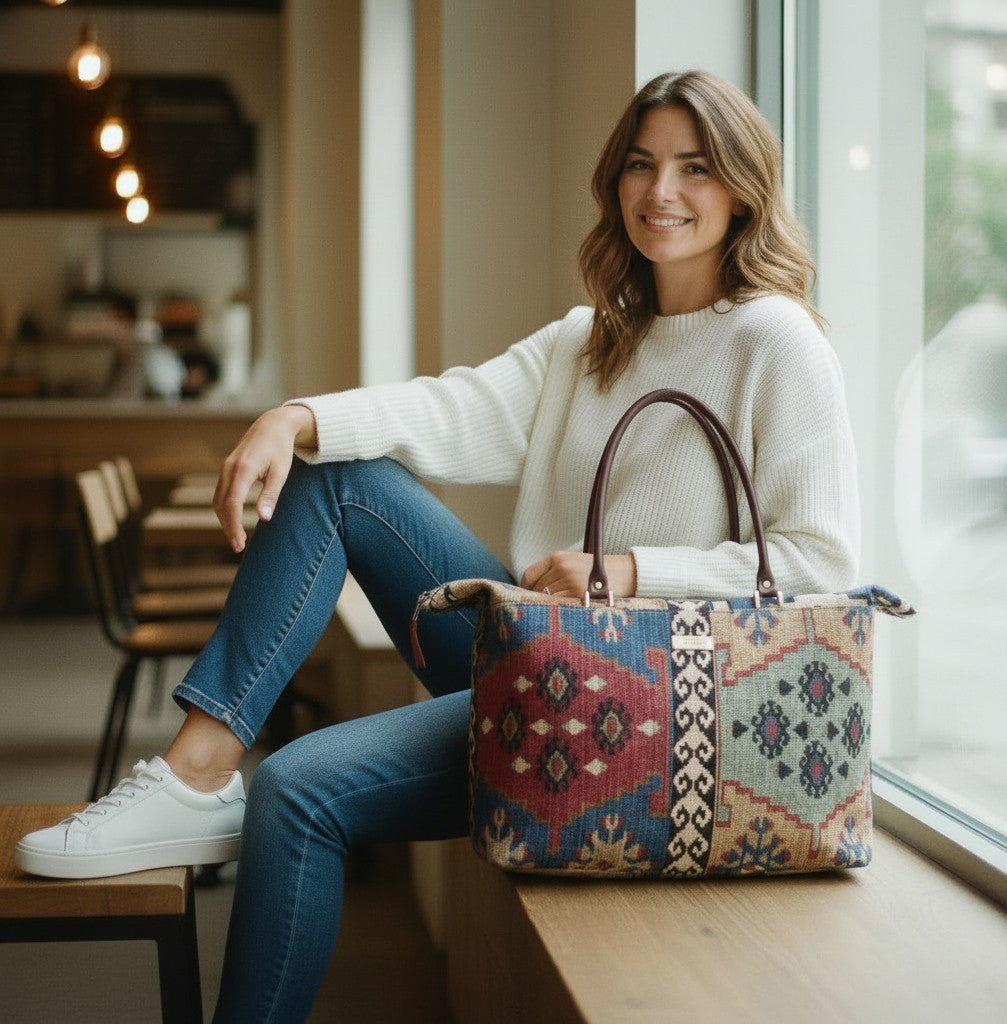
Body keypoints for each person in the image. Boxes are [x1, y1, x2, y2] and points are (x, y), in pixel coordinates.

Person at [17, 69, 859, 1020]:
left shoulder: (777, 342)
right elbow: (443, 406)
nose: (661, 191)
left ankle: (209, 790)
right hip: (543, 664)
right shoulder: (590, 342)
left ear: (744, 187)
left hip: (655, 711)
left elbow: (821, 564)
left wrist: (625, 573)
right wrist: (292, 415)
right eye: (641, 164)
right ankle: (197, 772)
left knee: (296, 788)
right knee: (338, 471)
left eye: (695, 167)